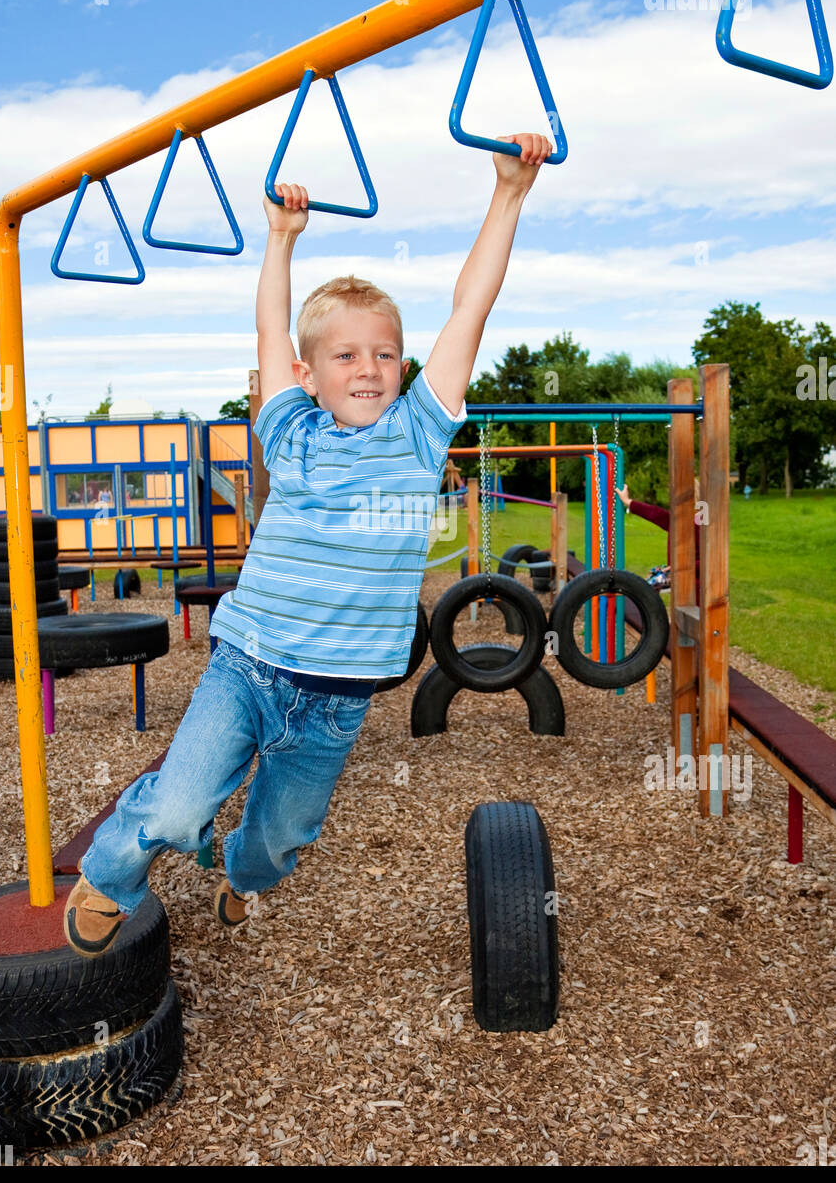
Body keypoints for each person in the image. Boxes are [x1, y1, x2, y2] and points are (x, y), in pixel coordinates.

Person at [64, 130, 552, 956]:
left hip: (338, 698)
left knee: (281, 840)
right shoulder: (290, 434)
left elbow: (471, 306)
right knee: (179, 806)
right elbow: (266, 336)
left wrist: (507, 194)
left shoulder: (418, 436)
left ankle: (241, 876)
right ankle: (110, 875)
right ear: (309, 373)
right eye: (346, 355)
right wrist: (280, 241)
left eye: (386, 354)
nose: (370, 368)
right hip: (247, 665)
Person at [615, 479, 701, 603]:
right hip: (681, 578)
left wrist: (678, 567)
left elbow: (707, 561)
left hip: (696, 586)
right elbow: (655, 513)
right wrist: (628, 502)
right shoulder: (677, 520)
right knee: (648, 585)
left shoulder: (698, 523)